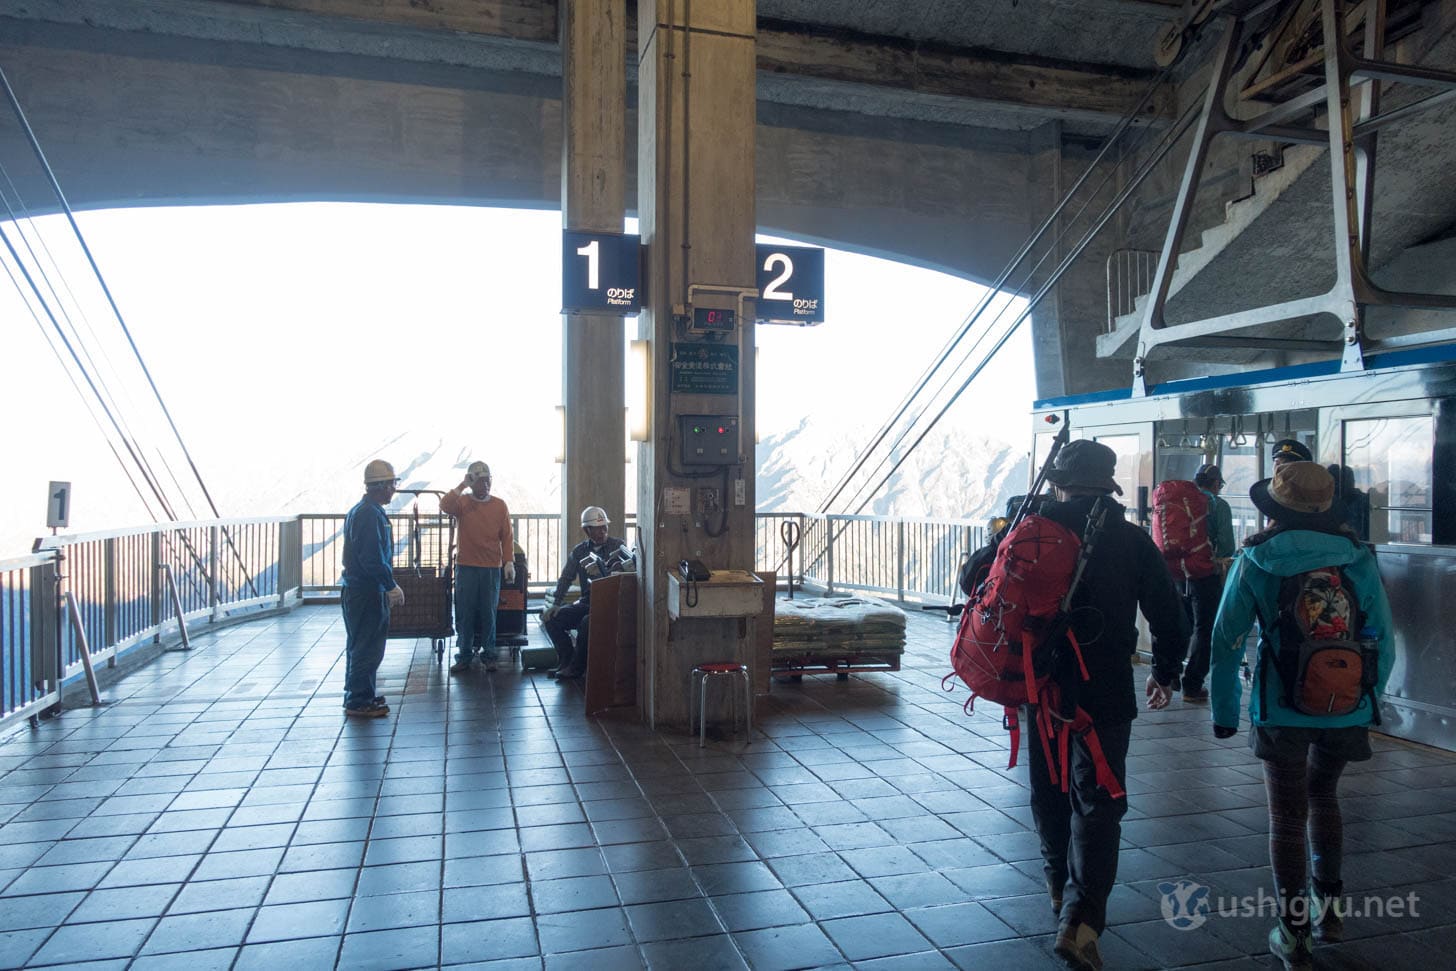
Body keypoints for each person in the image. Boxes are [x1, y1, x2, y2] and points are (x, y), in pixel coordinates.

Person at [1208, 462, 1393, 971]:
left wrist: (1224, 710)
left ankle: (1292, 934)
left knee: (1287, 816)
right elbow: (1384, 638)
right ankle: (1329, 910)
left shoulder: (1257, 560)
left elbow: (1226, 640)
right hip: (1346, 702)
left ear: (1276, 509)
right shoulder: (1358, 559)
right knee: (1324, 796)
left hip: (1280, 707)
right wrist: (1366, 697)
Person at [1022, 441, 1188, 971]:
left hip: (1041, 684)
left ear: (1059, 482)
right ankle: (1081, 921)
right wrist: (1165, 670)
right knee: (1099, 803)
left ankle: (1055, 885)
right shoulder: (1133, 541)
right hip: (1107, 689)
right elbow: (1170, 616)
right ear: (1108, 484)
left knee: (1049, 788)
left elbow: (972, 581)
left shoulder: (1029, 531)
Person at [340, 459, 403, 718]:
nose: (393, 489)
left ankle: (360, 693)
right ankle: (358, 700)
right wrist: (389, 585)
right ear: (381, 486)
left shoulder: (366, 511)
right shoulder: (368, 515)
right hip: (366, 591)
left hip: (361, 590)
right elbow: (371, 558)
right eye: (392, 484)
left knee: (361, 645)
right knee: (367, 646)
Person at [442, 461, 514, 674]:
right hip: (466, 566)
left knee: (489, 613)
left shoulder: (500, 505)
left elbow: (507, 536)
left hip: (491, 567)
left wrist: (508, 561)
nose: (485, 485)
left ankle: (489, 654)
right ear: (472, 481)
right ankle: (464, 655)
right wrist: (462, 484)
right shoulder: (462, 503)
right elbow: (445, 505)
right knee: (464, 613)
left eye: (488, 480)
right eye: (481, 481)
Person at [542, 506, 628, 681]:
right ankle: (566, 659)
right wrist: (556, 604)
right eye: (597, 529)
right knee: (552, 618)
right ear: (587, 530)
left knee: (586, 622)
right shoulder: (579, 551)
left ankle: (576, 668)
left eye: (605, 527)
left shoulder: (618, 547)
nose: (602, 532)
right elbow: (566, 578)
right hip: (588, 601)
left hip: (610, 603)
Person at [1180, 463, 1236, 703]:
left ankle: (1169, 671)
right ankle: (1192, 685)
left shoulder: (1180, 502)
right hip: (1204, 575)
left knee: (1181, 623)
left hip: (1176, 573)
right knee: (1204, 628)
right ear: (1215, 483)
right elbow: (1226, 545)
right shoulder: (1217, 504)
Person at [1327, 463, 1371, 543]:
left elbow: (1376, 533)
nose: (1339, 486)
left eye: (1346, 480)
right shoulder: (1323, 505)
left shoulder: (1365, 502)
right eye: (1335, 482)